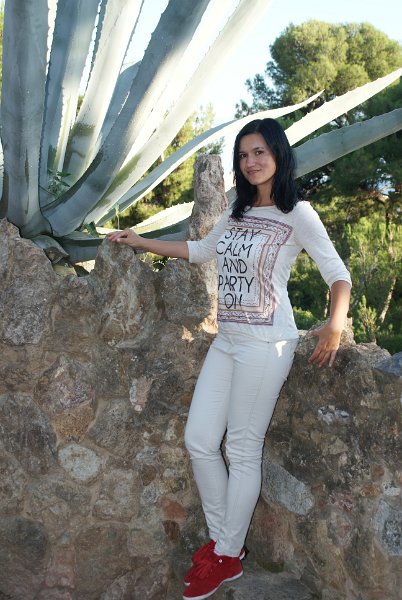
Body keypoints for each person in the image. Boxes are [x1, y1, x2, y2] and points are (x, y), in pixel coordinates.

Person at [107, 118, 352, 600]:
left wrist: (335, 324)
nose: (251, 161)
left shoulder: (298, 213)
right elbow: (202, 250)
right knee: (199, 439)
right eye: (243, 155)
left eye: (259, 152)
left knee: (241, 448)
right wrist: (140, 241)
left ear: (278, 154)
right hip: (228, 340)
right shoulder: (238, 210)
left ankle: (224, 553)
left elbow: (337, 273)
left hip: (267, 342)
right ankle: (226, 546)